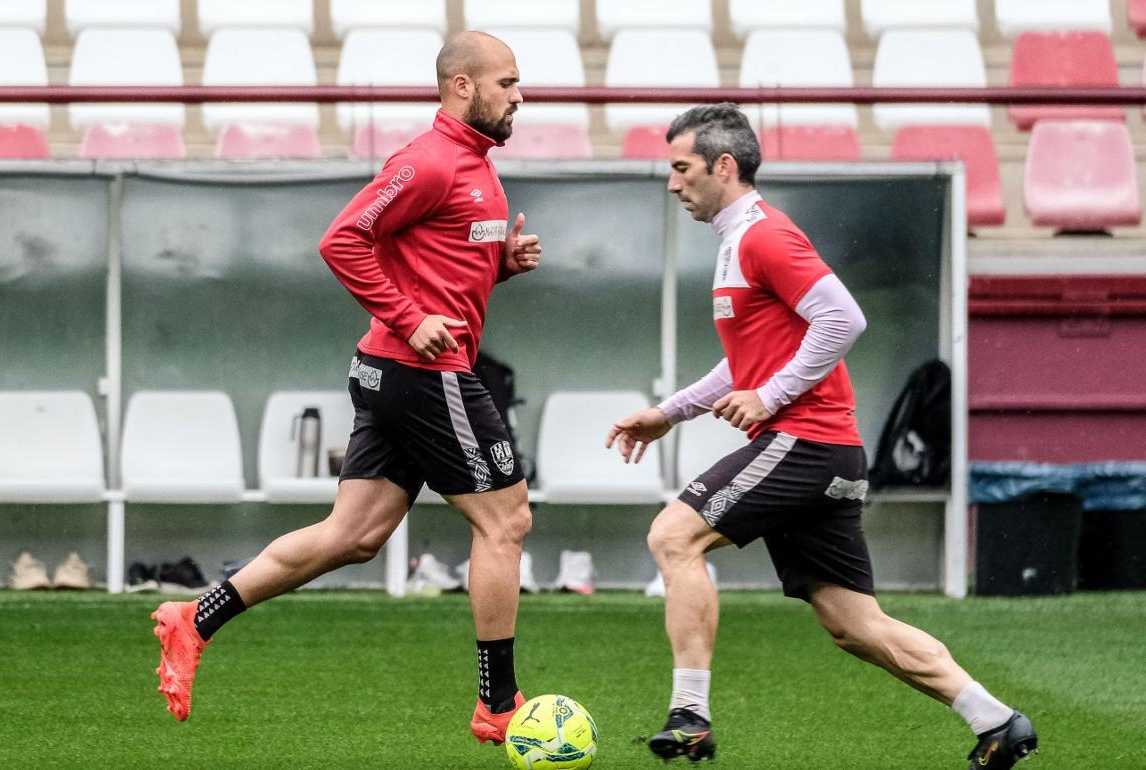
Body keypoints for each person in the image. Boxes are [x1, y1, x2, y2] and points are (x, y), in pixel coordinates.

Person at [606, 104, 1038, 768]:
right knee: (853, 624)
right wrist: (671, 412)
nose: (672, 184)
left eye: (681, 168)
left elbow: (842, 318)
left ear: (724, 166)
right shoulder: (735, 242)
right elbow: (745, 362)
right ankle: (997, 721)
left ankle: (689, 715)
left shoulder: (764, 237)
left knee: (673, 535)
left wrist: (772, 396)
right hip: (821, 452)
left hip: (804, 443)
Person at [150, 31, 542, 746]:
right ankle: (499, 703)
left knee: (353, 536)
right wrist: (409, 316)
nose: (520, 95)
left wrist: (501, 266)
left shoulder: (479, 166)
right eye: (507, 83)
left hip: (398, 372)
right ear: (461, 87)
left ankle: (194, 619)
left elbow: (440, 268)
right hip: (425, 374)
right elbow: (343, 239)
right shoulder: (427, 161)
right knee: (505, 521)